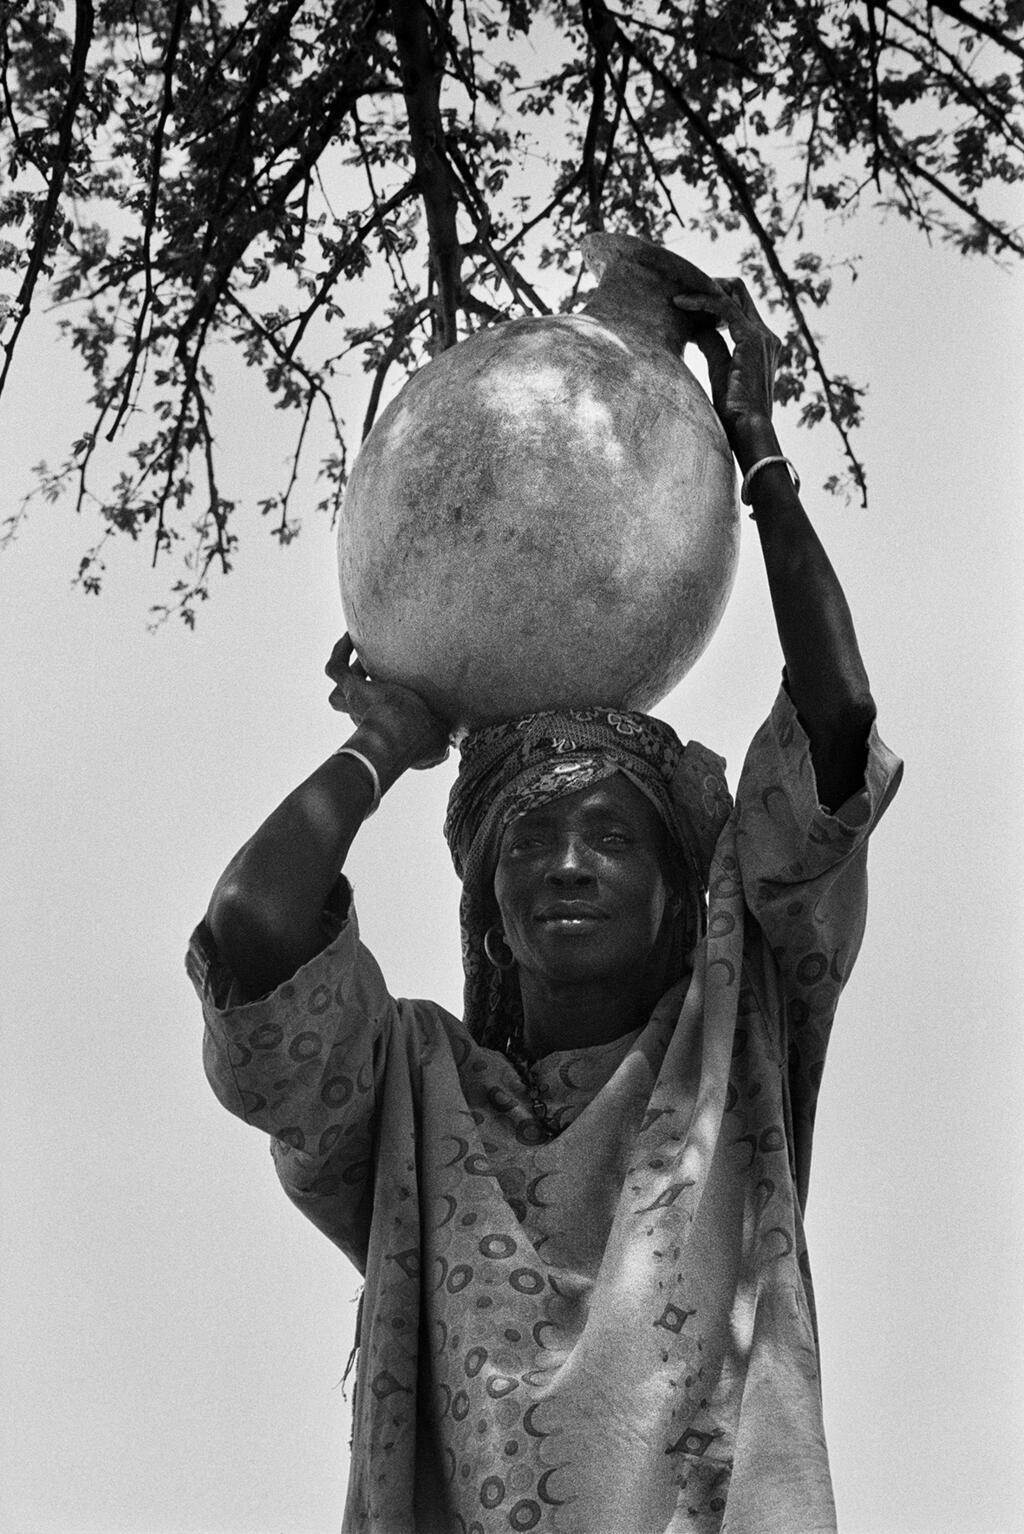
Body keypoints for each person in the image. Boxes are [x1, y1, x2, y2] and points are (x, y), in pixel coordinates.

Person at [188, 278, 902, 1534]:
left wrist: (761, 454)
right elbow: (252, 936)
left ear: (682, 892)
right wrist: (391, 740)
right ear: (485, 901)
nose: (566, 863)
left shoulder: (740, 1039)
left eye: (611, 834)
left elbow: (834, 724)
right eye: (528, 840)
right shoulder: (407, 1093)